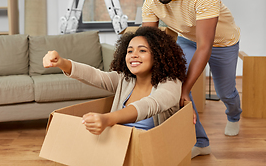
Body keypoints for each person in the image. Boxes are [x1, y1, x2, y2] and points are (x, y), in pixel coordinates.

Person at [141, 0, 242, 158]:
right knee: (176, 86)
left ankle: (234, 115)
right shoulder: (152, 0)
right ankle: (201, 142)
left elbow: (206, 46)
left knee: (226, 93)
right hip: (188, 39)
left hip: (222, 43)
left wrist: (186, 89)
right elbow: (147, 41)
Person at [43, 26, 187, 135]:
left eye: (142, 50)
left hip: (152, 152)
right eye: (130, 51)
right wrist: (61, 62)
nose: (133, 55)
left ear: (159, 56)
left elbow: (149, 105)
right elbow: (95, 75)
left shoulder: (171, 84)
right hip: (119, 147)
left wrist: (108, 119)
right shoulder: (125, 80)